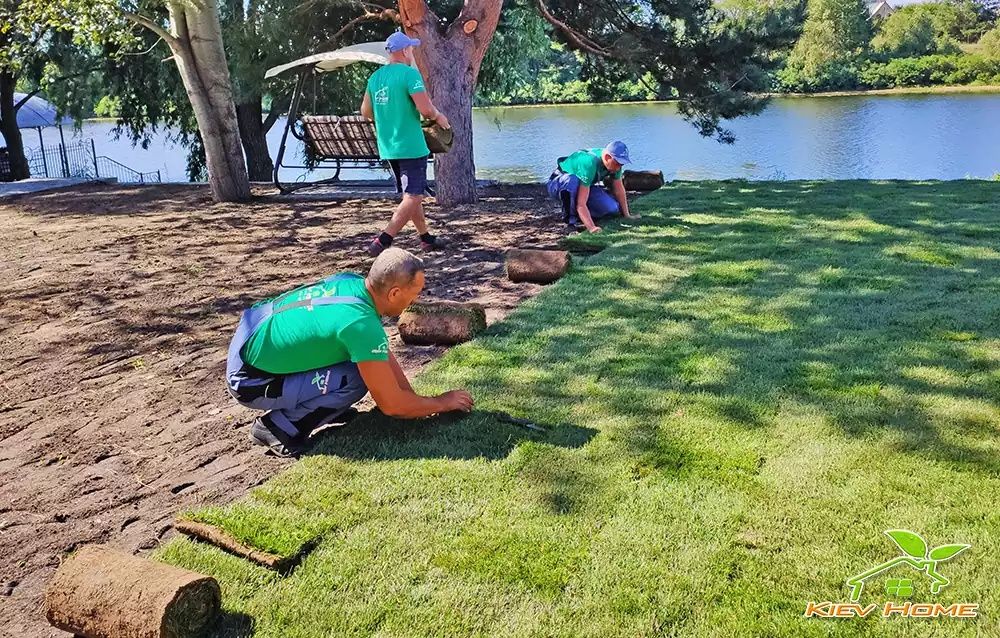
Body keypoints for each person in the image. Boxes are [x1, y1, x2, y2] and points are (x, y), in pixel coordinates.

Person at [225, 248, 474, 457]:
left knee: (362, 364)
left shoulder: (351, 282)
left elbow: (380, 353)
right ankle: (279, 427)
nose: (416, 301)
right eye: (415, 293)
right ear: (394, 293)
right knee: (355, 379)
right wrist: (442, 402)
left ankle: (323, 405)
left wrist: (412, 397)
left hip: (249, 338)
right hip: (250, 380)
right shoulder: (361, 324)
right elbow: (392, 405)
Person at [361, 31, 451, 257]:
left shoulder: (375, 78)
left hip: (389, 147)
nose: (412, 52)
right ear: (403, 51)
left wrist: (389, 115)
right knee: (414, 196)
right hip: (410, 145)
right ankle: (383, 240)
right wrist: (439, 116)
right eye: (411, 48)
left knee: (411, 196)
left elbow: (366, 112)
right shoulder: (410, 75)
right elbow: (426, 110)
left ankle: (426, 238)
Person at [547, 140, 639, 233]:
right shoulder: (589, 163)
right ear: (607, 157)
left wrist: (627, 215)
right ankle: (570, 223)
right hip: (559, 184)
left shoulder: (615, 163)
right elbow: (581, 204)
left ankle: (580, 214)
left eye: (621, 164)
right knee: (572, 181)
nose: (619, 167)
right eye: (617, 163)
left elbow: (619, 189)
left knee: (611, 208)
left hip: (584, 185)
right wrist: (591, 227)